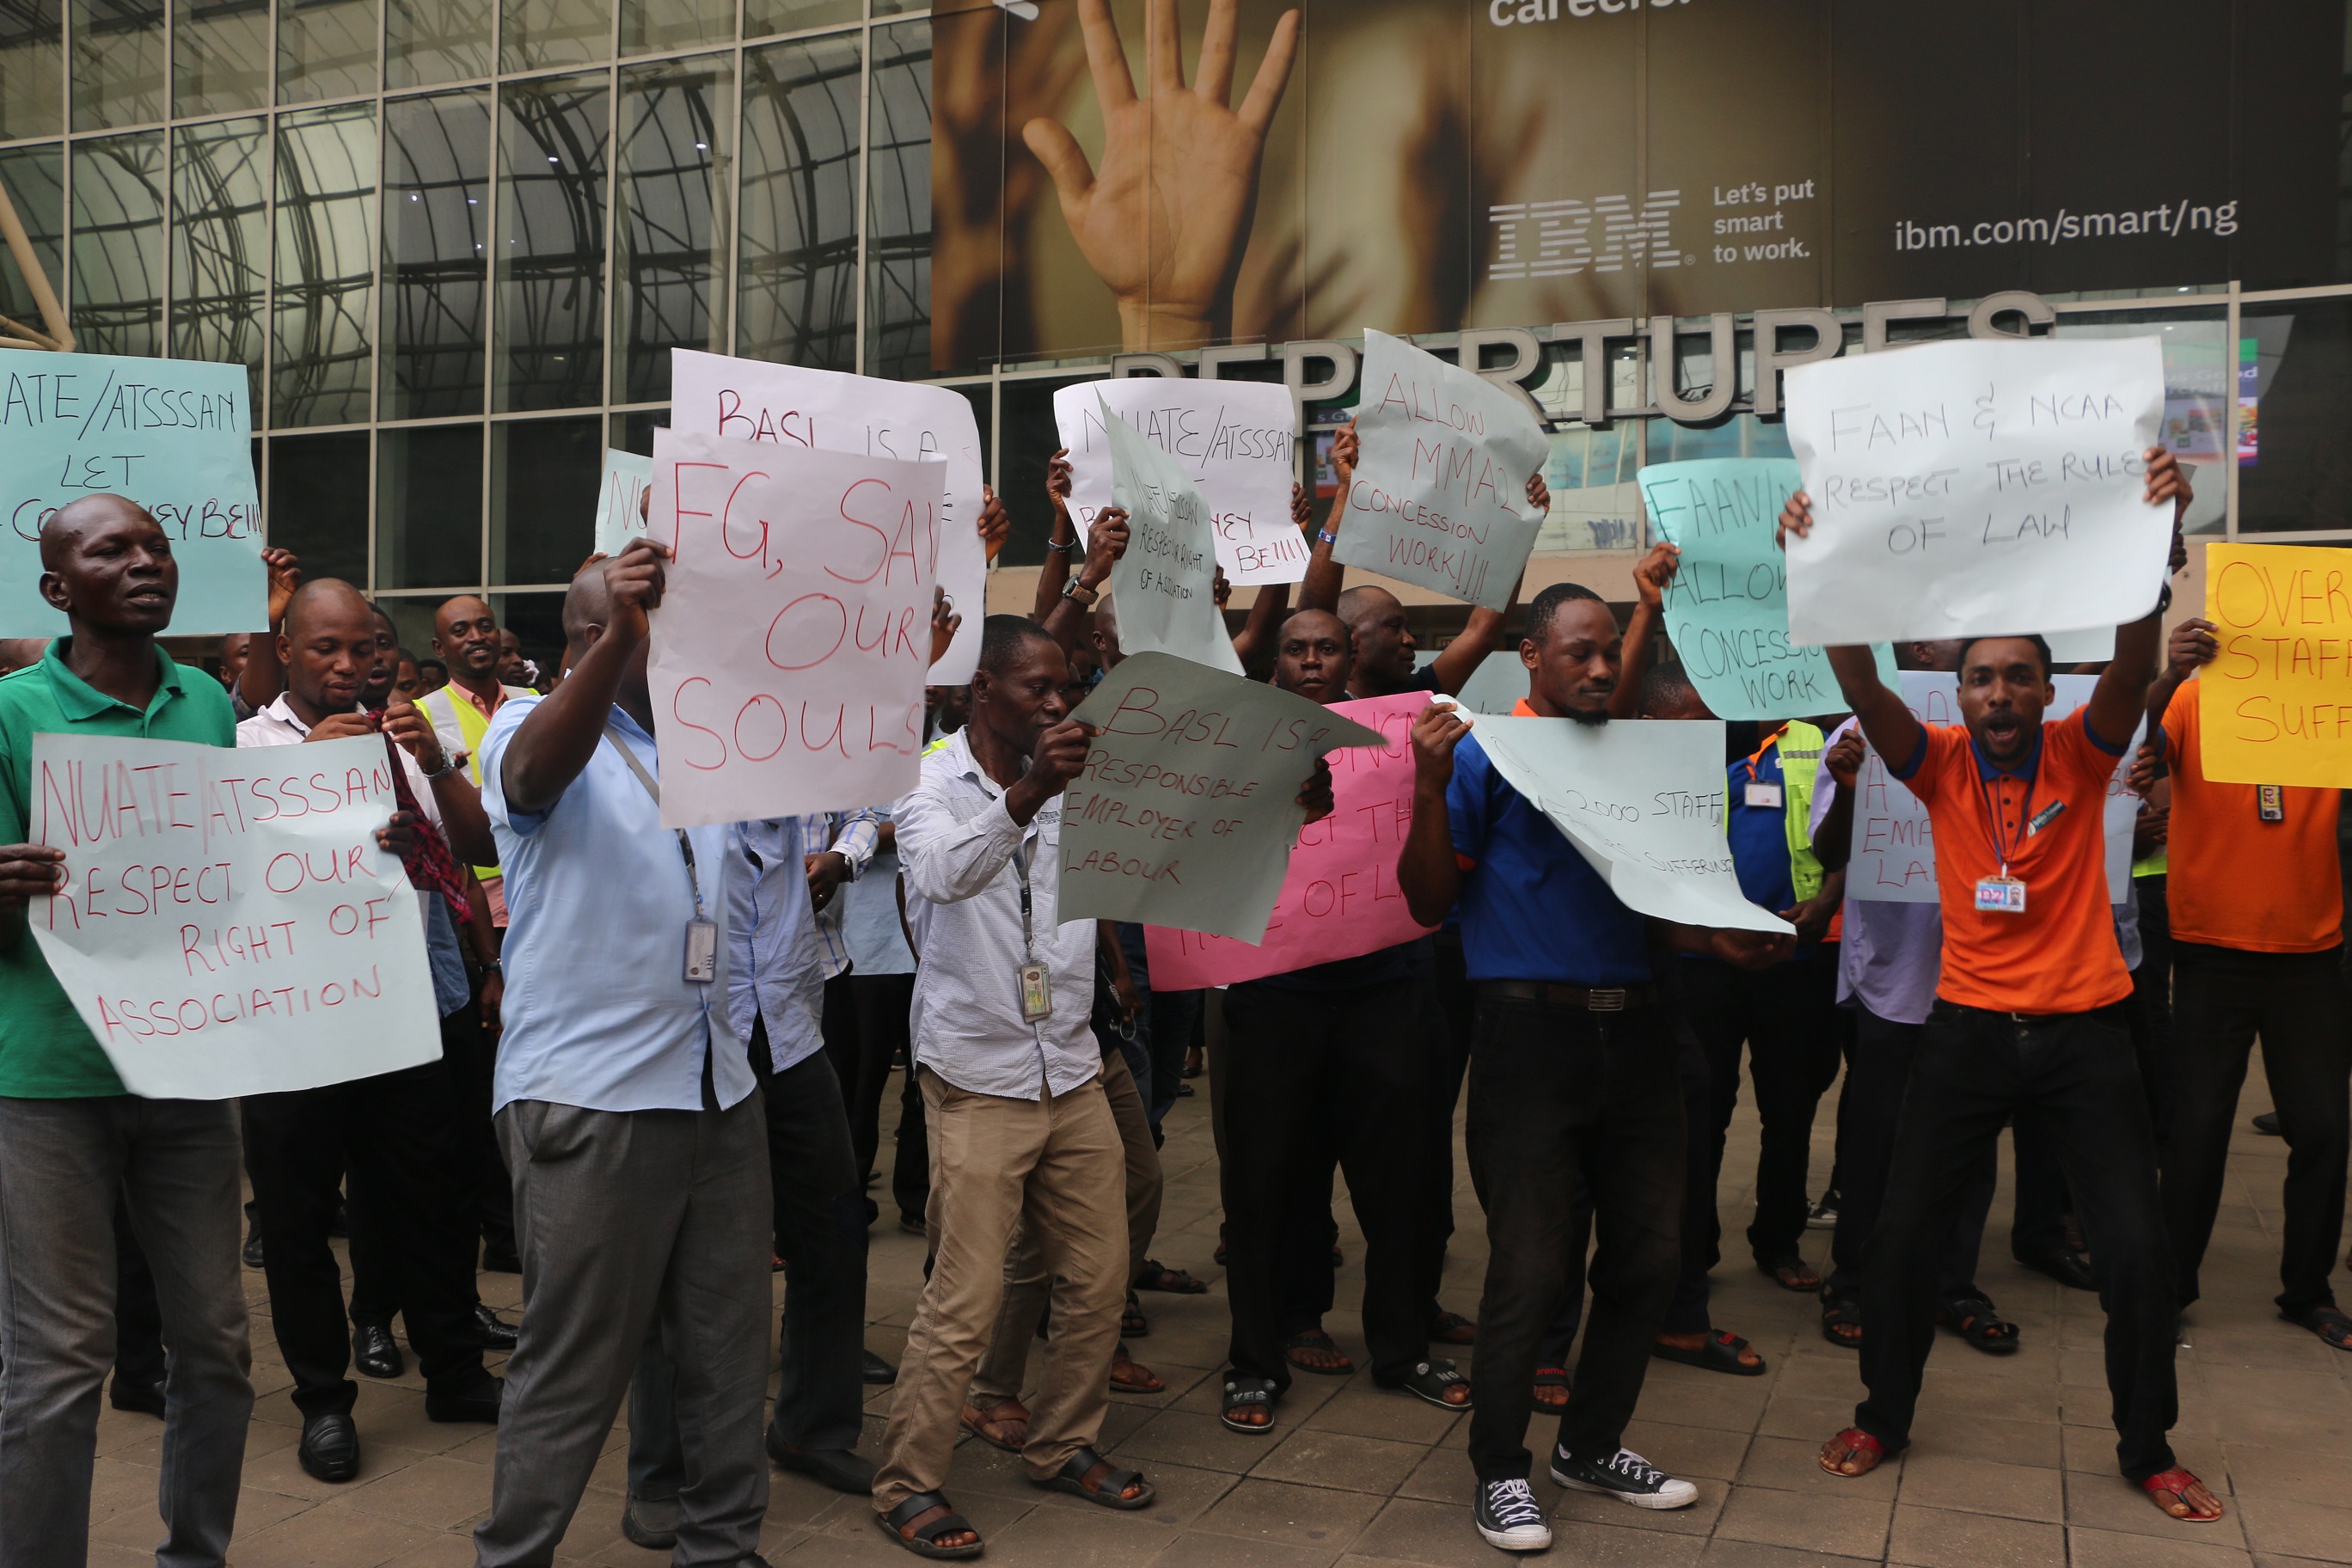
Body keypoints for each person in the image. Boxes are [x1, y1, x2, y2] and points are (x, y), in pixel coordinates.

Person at [1792, 450, 2226, 1523]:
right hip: (1967, 1036)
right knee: (1898, 1243)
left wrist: (2145, 542)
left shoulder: (2083, 752)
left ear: (2045, 687)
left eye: (2018, 676)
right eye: (1982, 677)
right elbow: (1857, 682)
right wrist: (1816, 565)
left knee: (2133, 1251)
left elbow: (2132, 665)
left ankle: (2147, 1447)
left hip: (2086, 1043)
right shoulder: (1932, 758)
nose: (1998, 694)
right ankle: (1882, 1416)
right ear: (1963, 691)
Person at [877, 616, 1315, 1554]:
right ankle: (908, 1480)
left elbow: (1180, 850)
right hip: (978, 1075)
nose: (1058, 701)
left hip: (1071, 1066)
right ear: (979, 691)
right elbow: (940, 876)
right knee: (963, 1298)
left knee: (1098, 1280)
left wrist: (1287, 806)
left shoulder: (1090, 777)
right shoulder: (924, 780)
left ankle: (1062, 1444)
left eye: (1067, 685)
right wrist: (1032, 792)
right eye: (1037, 687)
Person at [1397, 581, 1793, 1551]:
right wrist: (1421, 785)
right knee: (1530, 1269)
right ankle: (1500, 1469)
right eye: (1579, 651)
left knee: (1651, 1257)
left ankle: (1591, 1444)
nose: (1602, 666)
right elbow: (1423, 901)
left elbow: (1661, 895)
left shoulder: (1640, 764)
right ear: (1530, 657)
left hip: (1647, 1034)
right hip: (1531, 1040)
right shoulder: (1487, 752)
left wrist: (1721, 945)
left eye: (1612, 651)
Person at [471, 542, 775, 1566]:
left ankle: (720, 1545)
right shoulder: (529, 723)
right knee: (573, 1361)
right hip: (593, 1098)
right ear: (600, 635)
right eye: (668, 629)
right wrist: (625, 639)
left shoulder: (709, 748)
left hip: (716, 1087)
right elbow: (526, 778)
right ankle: (514, 1554)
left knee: (730, 1349)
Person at [0, 494, 256, 1568]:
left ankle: (194, 1552)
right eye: (115, 551)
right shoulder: (10, 710)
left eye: (157, 546)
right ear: (59, 589)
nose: (148, 562)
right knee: (60, 1361)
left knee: (218, 1346)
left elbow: (241, 871)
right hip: (50, 1081)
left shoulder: (208, 703)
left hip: (188, 1070)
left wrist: (352, 848)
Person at [234, 579, 505, 1482]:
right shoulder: (244, 745)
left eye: (365, 649)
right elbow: (223, 872)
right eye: (327, 649)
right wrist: (308, 767)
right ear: (288, 650)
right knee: (300, 1218)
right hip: (296, 1026)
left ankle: (454, 1371)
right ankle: (322, 1401)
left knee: (431, 1198)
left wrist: (435, 766)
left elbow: (477, 850)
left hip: (403, 1016)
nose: (351, 665)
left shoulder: (405, 737)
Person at [1208, 609, 1463, 1434]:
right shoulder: (1230, 744)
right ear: (1275, 662)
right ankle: (1254, 1359)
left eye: (1327, 647)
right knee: (1260, 1184)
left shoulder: (1397, 733)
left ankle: (1401, 1347)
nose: (1313, 660)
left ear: (1352, 655)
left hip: (1381, 990)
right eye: (1297, 648)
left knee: (1398, 1181)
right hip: (1269, 995)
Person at [2142, 615, 2351, 1351]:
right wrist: (2170, 672)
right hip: (2210, 952)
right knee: (2198, 1130)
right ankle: (2170, 1289)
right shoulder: (2195, 702)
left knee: (2325, 1129)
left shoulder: (2334, 711)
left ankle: (2308, 1290)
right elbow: (2144, 746)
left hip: (2311, 953)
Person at [1805, 640, 2007, 1355]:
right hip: (1893, 979)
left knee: (1972, 1144)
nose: (1937, 642)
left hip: (1981, 980)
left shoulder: (2002, 734)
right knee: (1877, 1143)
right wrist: (1854, 792)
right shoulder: (1857, 734)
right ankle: (1854, 1281)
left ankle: (1953, 1284)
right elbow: (1828, 855)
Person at [422, 594, 535, 930]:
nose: (476, 636)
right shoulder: (422, 713)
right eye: (461, 630)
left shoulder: (532, 701)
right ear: (439, 648)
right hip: (477, 891)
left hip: (538, 874)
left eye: (486, 627)